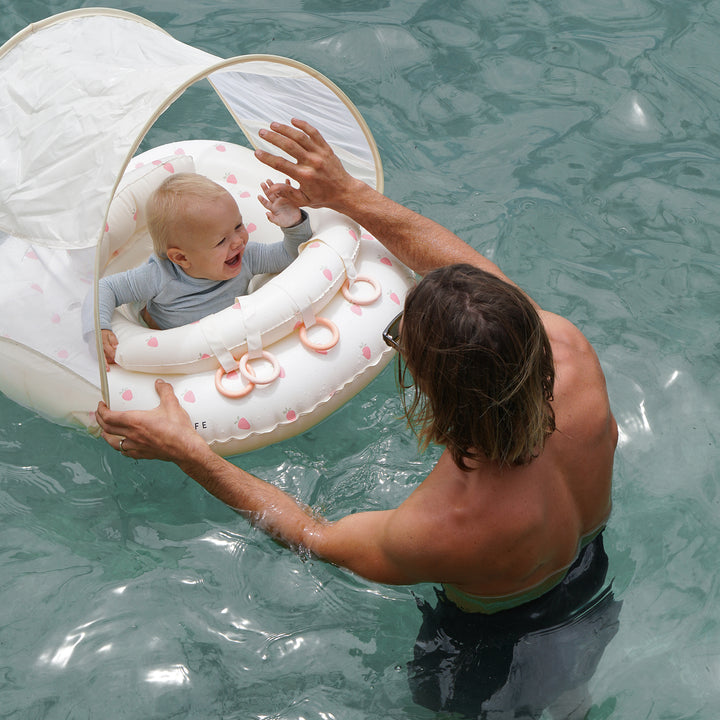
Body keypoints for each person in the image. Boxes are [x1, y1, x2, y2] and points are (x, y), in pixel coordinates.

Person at [95, 120, 620, 717]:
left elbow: (313, 536)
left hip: (494, 649)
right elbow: (473, 280)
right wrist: (344, 193)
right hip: (592, 580)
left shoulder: (453, 521)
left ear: (437, 393)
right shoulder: (566, 350)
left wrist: (188, 452)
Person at [83, 172, 312, 366]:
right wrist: (100, 329)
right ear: (181, 258)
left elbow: (289, 255)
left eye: (238, 226)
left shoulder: (247, 256)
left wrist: (293, 224)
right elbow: (105, 288)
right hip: (164, 339)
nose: (237, 242)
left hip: (226, 337)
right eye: (221, 241)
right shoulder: (158, 276)